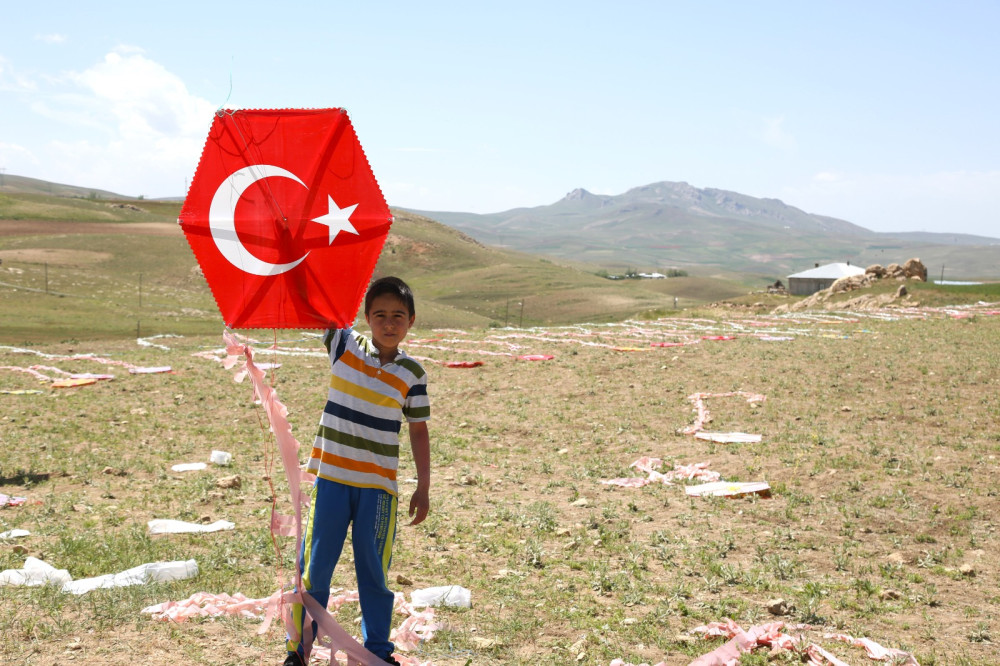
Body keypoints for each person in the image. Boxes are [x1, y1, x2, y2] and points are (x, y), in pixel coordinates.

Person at [284, 276, 431, 666]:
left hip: (378, 489)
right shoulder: (344, 345)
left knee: (374, 574)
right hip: (332, 480)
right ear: (365, 317)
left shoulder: (413, 373)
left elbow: (418, 430)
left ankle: (378, 653)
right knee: (315, 569)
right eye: (379, 315)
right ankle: (298, 650)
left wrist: (423, 486)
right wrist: (304, 263)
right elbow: (320, 302)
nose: (388, 323)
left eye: (397, 316)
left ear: (411, 321)